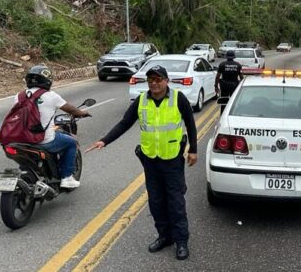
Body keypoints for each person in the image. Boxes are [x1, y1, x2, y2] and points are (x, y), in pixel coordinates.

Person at [86, 65, 197, 261]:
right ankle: (165, 236)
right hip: (150, 160)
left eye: (158, 79)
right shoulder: (141, 100)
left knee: (175, 202)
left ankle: (181, 241)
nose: (154, 83)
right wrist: (105, 140)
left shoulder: (178, 98)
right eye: (151, 80)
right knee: (156, 202)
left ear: (166, 81)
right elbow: (125, 123)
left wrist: (193, 150)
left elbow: (190, 123)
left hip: (172, 159)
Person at [23, 65, 89, 189]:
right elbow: (71, 109)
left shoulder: (19, 96)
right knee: (71, 142)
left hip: (20, 140)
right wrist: (82, 113)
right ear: (47, 80)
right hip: (42, 140)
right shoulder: (51, 96)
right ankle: (67, 178)